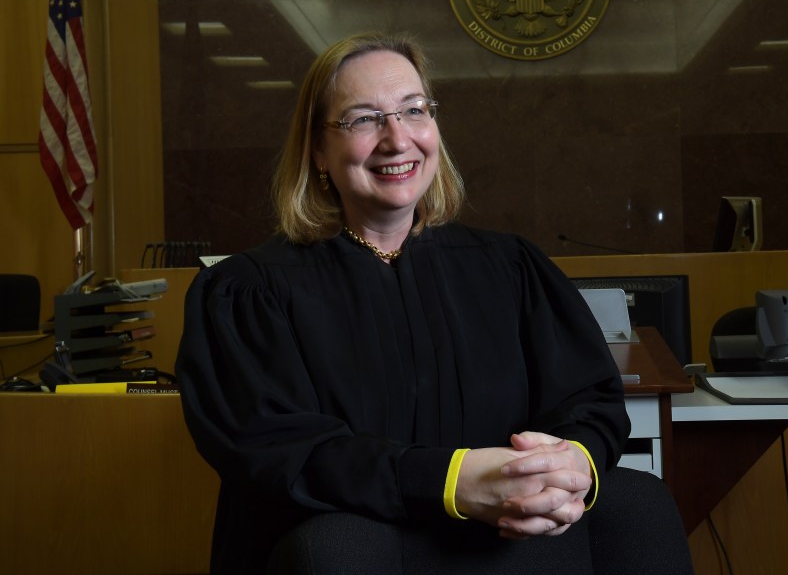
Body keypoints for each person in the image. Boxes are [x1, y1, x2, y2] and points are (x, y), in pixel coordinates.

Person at [175, 32, 635, 574]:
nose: (398, 139)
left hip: (499, 545)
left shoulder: (509, 268)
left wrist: (571, 464)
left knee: (637, 506)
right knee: (339, 549)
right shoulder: (250, 292)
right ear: (318, 150)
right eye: (364, 119)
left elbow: (588, 398)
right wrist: (451, 482)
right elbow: (283, 451)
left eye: (414, 110)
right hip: (353, 548)